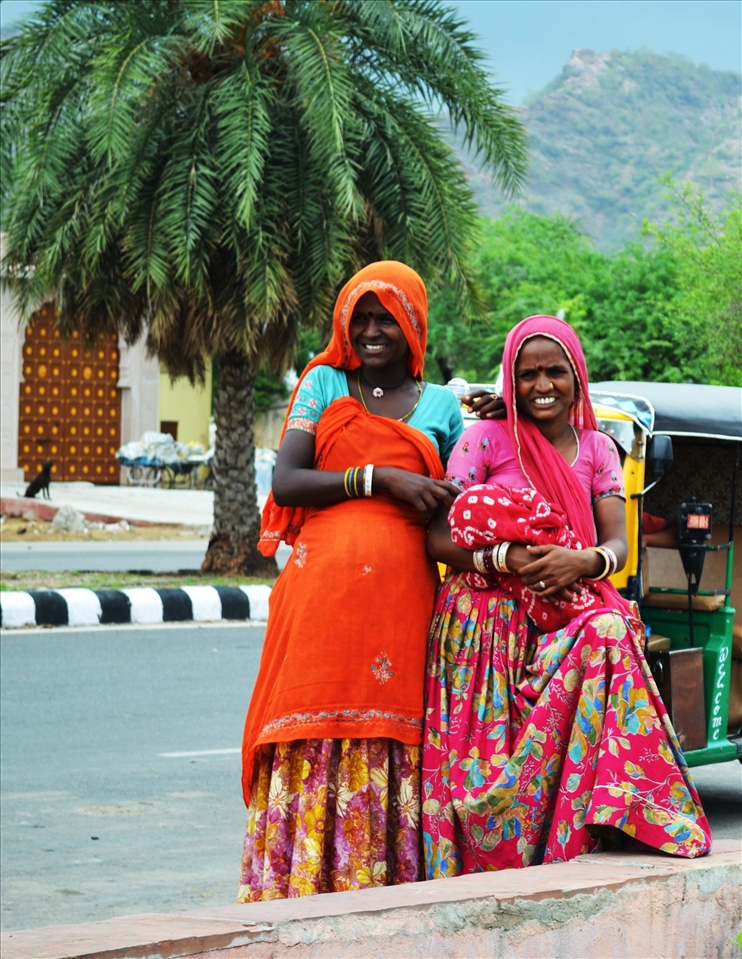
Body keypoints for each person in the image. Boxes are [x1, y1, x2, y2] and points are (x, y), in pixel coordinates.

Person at [423, 315, 711, 877]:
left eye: (556, 371)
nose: (542, 385)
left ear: (578, 377)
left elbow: (617, 544)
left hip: (566, 609)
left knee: (610, 631)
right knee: (488, 765)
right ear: (510, 378)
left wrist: (582, 561)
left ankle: (617, 816)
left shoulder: (598, 448)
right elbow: (440, 535)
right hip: (488, 621)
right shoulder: (486, 437)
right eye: (527, 374)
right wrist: (507, 559)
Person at [238, 261, 465, 901]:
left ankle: (386, 902)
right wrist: (379, 478)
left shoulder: (444, 405)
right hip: (319, 597)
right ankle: (297, 894)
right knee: (307, 724)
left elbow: (465, 492)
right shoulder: (323, 383)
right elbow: (287, 481)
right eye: (359, 317)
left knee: (393, 732)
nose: (370, 330)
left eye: (385, 318)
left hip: (405, 600)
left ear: (414, 324)